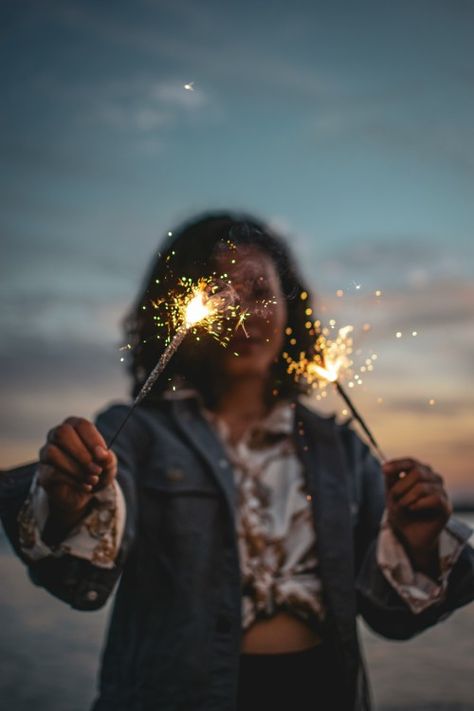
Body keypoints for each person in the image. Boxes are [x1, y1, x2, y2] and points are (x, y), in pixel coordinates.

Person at [1, 212, 473, 711]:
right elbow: (79, 580)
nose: (245, 312)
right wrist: (66, 501)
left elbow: (393, 616)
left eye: (261, 292)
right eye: (222, 293)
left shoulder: (340, 449)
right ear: (184, 306)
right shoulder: (138, 433)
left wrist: (421, 545)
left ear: (292, 309)